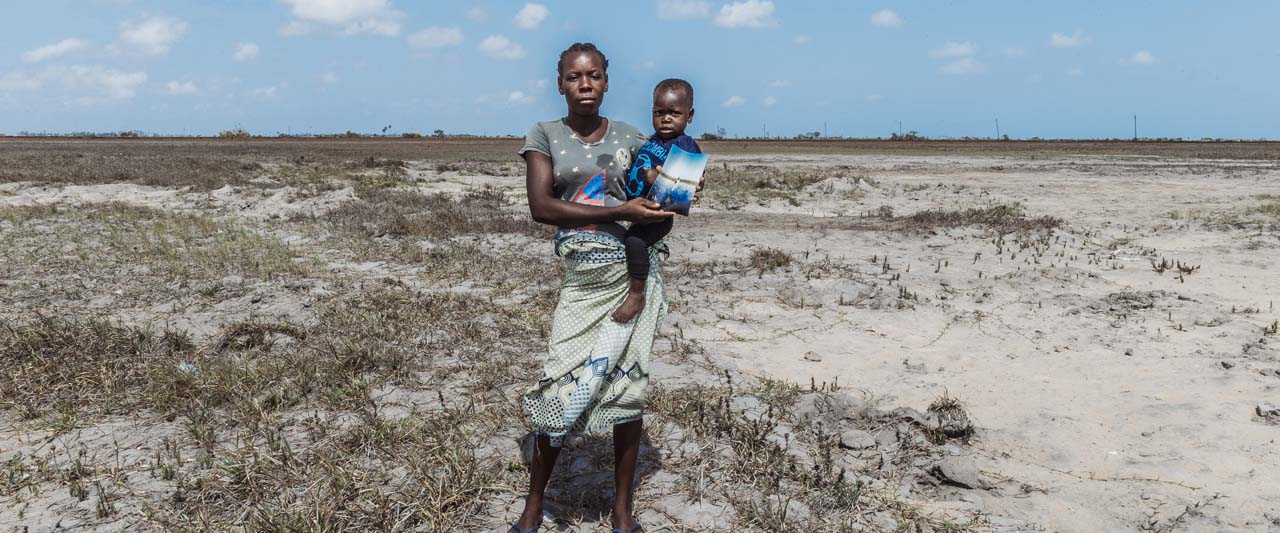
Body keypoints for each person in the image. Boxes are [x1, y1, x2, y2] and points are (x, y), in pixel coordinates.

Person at [511, 42, 673, 533]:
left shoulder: (631, 136)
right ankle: (534, 506)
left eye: (595, 76)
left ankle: (622, 513)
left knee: (628, 388)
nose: (586, 85)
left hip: (630, 276)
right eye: (575, 77)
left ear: (606, 81)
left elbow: (654, 196)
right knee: (561, 381)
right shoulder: (544, 135)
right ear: (560, 83)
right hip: (582, 280)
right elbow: (542, 206)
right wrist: (617, 212)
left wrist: (678, 189)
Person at [611, 78, 701, 324]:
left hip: (657, 215)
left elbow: (682, 195)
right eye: (659, 112)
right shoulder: (651, 141)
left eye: (674, 113)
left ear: (689, 116)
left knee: (635, 241)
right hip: (638, 207)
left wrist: (655, 180)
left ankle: (636, 294)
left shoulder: (687, 147)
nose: (666, 118)